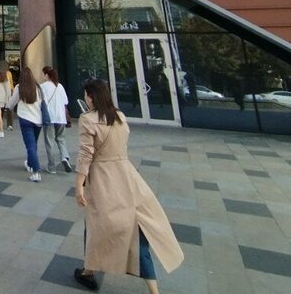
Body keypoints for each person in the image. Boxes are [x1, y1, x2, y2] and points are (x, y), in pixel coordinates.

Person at [73, 79, 184, 293]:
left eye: (87, 95)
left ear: (92, 97)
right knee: (136, 229)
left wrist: (79, 185)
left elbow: (85, 155)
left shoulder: (88, 119)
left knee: (97, 225)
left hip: (103, 179)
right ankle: (150, 289)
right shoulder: (120, 117)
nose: (85, 99)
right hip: (127, 176)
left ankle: (89, 271)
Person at [8, 67, 45, 182]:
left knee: (30, 145)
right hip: (38, 120)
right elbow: (43, 103)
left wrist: (9, 107)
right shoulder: (38, 88)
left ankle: (36, 171)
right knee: (33, 144)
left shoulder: (19, 88)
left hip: (25, 120)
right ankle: (29, 163)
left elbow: (11, 104)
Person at [40, 66, 72, 173]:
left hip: (49, 118)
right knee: (61, 139)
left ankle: (52, 166)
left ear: (46, 75)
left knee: (49, 142)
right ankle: (64, 157)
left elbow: (40, 101)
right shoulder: (60, 86)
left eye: (43, 74)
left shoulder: (43, 86)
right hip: (61, 117)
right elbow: (66, 101)